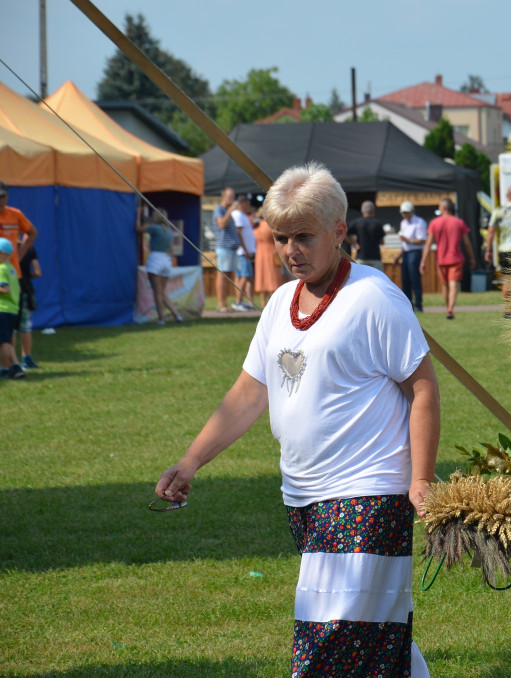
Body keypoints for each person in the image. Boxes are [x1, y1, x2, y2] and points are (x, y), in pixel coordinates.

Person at [155, 162, 439, 677]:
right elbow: (249, 391)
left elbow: (422, 388)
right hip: (303, 496)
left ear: (338, 232)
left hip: (368, 493)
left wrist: (419, 479)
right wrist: (191, 461)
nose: (289, 250)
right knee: (374, 631)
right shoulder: (280, 302)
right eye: (280, 237)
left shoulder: (375, 298)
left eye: (302, 236)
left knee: (327, 641)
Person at [421, 198, 475, 319]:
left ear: (444, 208)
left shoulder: (434, 223)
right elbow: (467, 243)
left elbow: (428, 244)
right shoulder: (459, 222)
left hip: (441, 259)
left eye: (439, 207)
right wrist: (472, 257)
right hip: (455, 258)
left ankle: (447, 309)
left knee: (444, 285)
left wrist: (423, 261)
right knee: (453, 284)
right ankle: (450, 309)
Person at [137, 210, 183, 325]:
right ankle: (176, 315)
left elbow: (138, 229)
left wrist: (138, 215)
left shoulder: (155, 228)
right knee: (162, 292)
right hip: (166, 261)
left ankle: (161, 319)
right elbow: (171, 249)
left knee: (157, 292)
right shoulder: (169, 231)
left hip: (155, 259)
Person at [0, 181, 38, 282]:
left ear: (7, 196)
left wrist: (19, 256)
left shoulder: (15, 215)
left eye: (3, 196)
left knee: (14, 297)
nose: (1, 200)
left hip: (12, 271)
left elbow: (32, 232)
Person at [213, 187, 242, 313]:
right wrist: (230, 210)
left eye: (233, 197)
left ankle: (224, 303)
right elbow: (221, 224)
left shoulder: (226, 210)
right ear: (223, 196)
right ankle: (221, 304)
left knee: (228, 276)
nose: (232, 199)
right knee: (223, 276)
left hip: (231, 248)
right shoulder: (219, 209)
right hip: (224, 248)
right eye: (230, 197)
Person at [0, 237, 25, 379]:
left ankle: (9, 367)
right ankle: (9, 367)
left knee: (4, 341)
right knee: (6, 339)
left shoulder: (2, 269)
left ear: (3, 253)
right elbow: (18, 290)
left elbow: (5, 289)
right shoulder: (12, 270)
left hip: (2, 308)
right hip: (13, 309)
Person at [398, 201, 428, 312]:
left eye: (406, 213)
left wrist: (407, 240)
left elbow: (422, 240)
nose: (405, 215)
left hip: (415, 252)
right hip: (406, 252)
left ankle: (419, 305)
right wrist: (398, 256)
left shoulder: (419, 222)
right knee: (405, 280)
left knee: (414, 279)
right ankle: (408, 305)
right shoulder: (403, 223)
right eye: (403, 213)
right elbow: (403, 242)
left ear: (412, 212)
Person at [17, 244, 42, 369]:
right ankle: (26, 359)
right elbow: (37, 272)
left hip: (8, 293)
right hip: (26, 289)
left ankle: (10, 363)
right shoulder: (29, 248)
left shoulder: (4, 249)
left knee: (9, 328)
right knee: (25, 327)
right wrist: (27, 275)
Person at [252, 207, 282, 306]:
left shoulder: (256, 227)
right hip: (271, 252)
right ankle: (274, 302)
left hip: (259, 253)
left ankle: (263, 301)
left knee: (261, 276)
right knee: (272, 276)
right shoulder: (270, 227)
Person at [232, 196, 257, 311]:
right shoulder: (238, 215)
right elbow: (238, 232)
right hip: (242, 252)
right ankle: (238, 302)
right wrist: (245, 249)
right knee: (244, 275)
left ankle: (241, 301)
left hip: (245, 251)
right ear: (242, 204)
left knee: (244, 276)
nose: (248, 207)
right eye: (247, 204)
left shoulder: (243, 216)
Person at [348, 200, 386, 271]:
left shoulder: (357, 222)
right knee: (377, 280)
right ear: (373, 211)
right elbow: (382, 242)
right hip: (375, 259)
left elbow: (346, 233)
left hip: (361, 258)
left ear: (362, 211)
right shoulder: (378, 223)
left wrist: (354, 243)